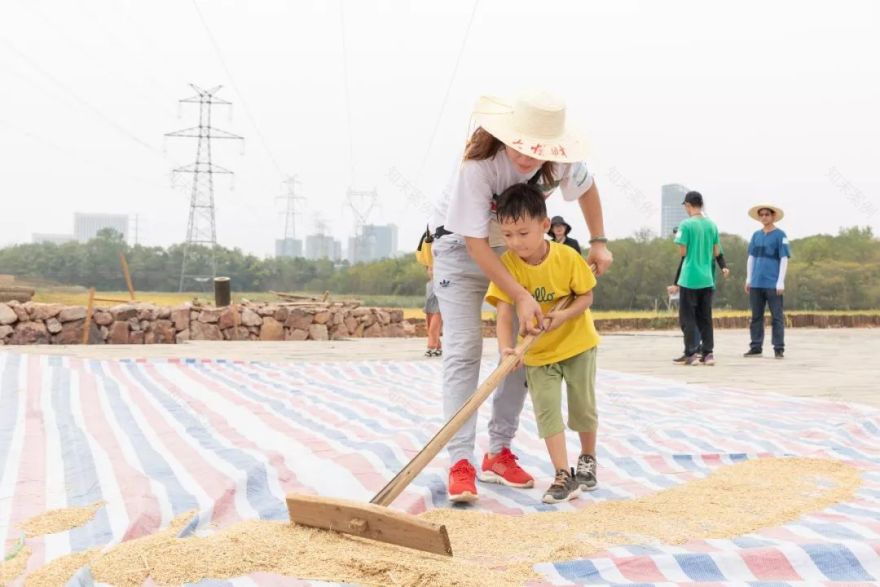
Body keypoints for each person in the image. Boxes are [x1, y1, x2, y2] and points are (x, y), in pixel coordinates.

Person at [430, 90, 612, 503]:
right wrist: (519, 293)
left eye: (539, 150)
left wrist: (599, 242)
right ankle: (460, 461)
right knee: (464, 350)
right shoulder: (479, 168)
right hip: (460, 250)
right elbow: (476, 243)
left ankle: (498, 451)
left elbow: (588, 189)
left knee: (517, 351)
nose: (529, 158)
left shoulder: (561, 160)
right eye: (522, 147)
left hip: (514, 252)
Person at [485, 184, 600, 504]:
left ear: (544, 226)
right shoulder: (507, 265)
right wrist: (506, 349)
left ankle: (587, 458)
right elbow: (504, 314)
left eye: (522, 233)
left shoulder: (567, 257)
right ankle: (563, 474)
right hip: (536, 351)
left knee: (582, 407)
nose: (515, 242)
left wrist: (564, 318)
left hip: (577, 344)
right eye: (507, 235)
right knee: (547, 411)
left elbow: (586, 296)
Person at [670, 191, 724, 366]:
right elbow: (717, 252)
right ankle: (708, 354)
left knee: (688, 318)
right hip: (707, 278)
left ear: (688, 205)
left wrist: (675, 281)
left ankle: (690, 354)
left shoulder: (685, 225)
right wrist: (723, 266)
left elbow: (683, 253)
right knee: (705, 318)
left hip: (689, 278)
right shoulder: (712, 225)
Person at [744, 204, 791, 359]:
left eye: (767, 214)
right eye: (761, 215)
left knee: (776, 316)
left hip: (772, 283)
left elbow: (784, 258)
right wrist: (749, 278)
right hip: (756, 282)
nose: (764, 217)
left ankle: (779, 348)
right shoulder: (756, 235)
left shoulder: (780, 235)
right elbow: (751, 257)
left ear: (773, 216)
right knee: (756, 316)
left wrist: (780, 281)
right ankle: (756, 346)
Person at [424, 266, 443, 357]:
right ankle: (438, 347)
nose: (432, 272)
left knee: (433, 328)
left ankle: (431, 347)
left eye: (434, 269)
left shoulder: (441, 282)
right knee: (429, 328)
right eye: (430, 269)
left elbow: (447, 285)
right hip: (429, 309)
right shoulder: (428, 284)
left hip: (438, 309)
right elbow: (427, 298)